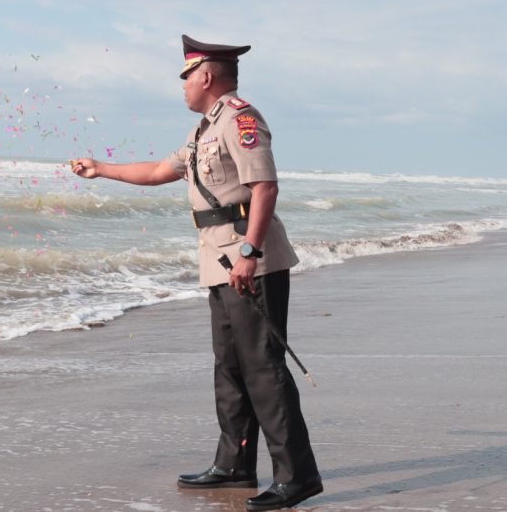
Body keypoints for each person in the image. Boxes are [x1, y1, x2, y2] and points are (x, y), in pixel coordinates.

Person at [71, 35, 322, 511]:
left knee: (264, 369)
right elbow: (160, 171)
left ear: (205, 75)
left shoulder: (241, 119)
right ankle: (234, 464)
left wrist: (249, 250)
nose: (182, 86)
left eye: (186, 77)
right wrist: (100, 169)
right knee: (230, 368)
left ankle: (298, 477)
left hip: (252, 261)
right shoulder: (204, 129)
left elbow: (265, 188)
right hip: (219, 262)